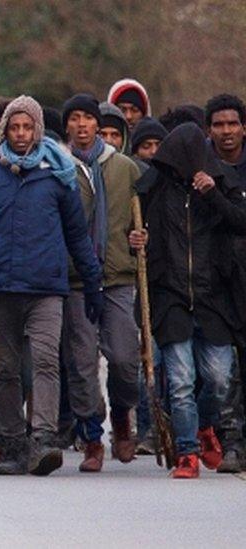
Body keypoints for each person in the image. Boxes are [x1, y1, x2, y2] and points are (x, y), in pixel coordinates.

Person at [0, 95, 102, 476]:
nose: (21, 135)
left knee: (46, 362)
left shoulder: (58, 173)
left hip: (46, 287)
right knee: (4, 369)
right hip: (1, 287)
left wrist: (92, 279)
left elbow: (76, 233)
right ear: (3, 130)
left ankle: (44, 440)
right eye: (14, 127)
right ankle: (12, 443)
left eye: (27, 127)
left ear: (38, 129)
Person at [129, 122, 246, 479]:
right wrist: (136, 240)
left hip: (214, 299)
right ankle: (187, 452)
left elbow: (240, 224)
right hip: (171, 298)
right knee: (180, 381)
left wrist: (213, 194)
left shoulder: (222, 185)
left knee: (220, 378)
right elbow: (134, 233)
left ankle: (209, 427)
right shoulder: (153, 191)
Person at [60, 93, 142, 472]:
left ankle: (122, 415)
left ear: (99, 125)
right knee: (81, 363)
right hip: (76, 279)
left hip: (118, 276)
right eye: (74, 118)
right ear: (67, 126)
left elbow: (146, 217)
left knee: (125, 359)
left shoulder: (125, 167)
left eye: (88, 119)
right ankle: (92, 435)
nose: (82, 125)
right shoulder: (57, 167)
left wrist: (145, 237)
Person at [204, 93, 246, 473]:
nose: (226, 131)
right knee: (222, 369)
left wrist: (214, 196)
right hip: (212, 282)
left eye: (232, 123)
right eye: (218, 124)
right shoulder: (196, 167)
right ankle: (230, 440)